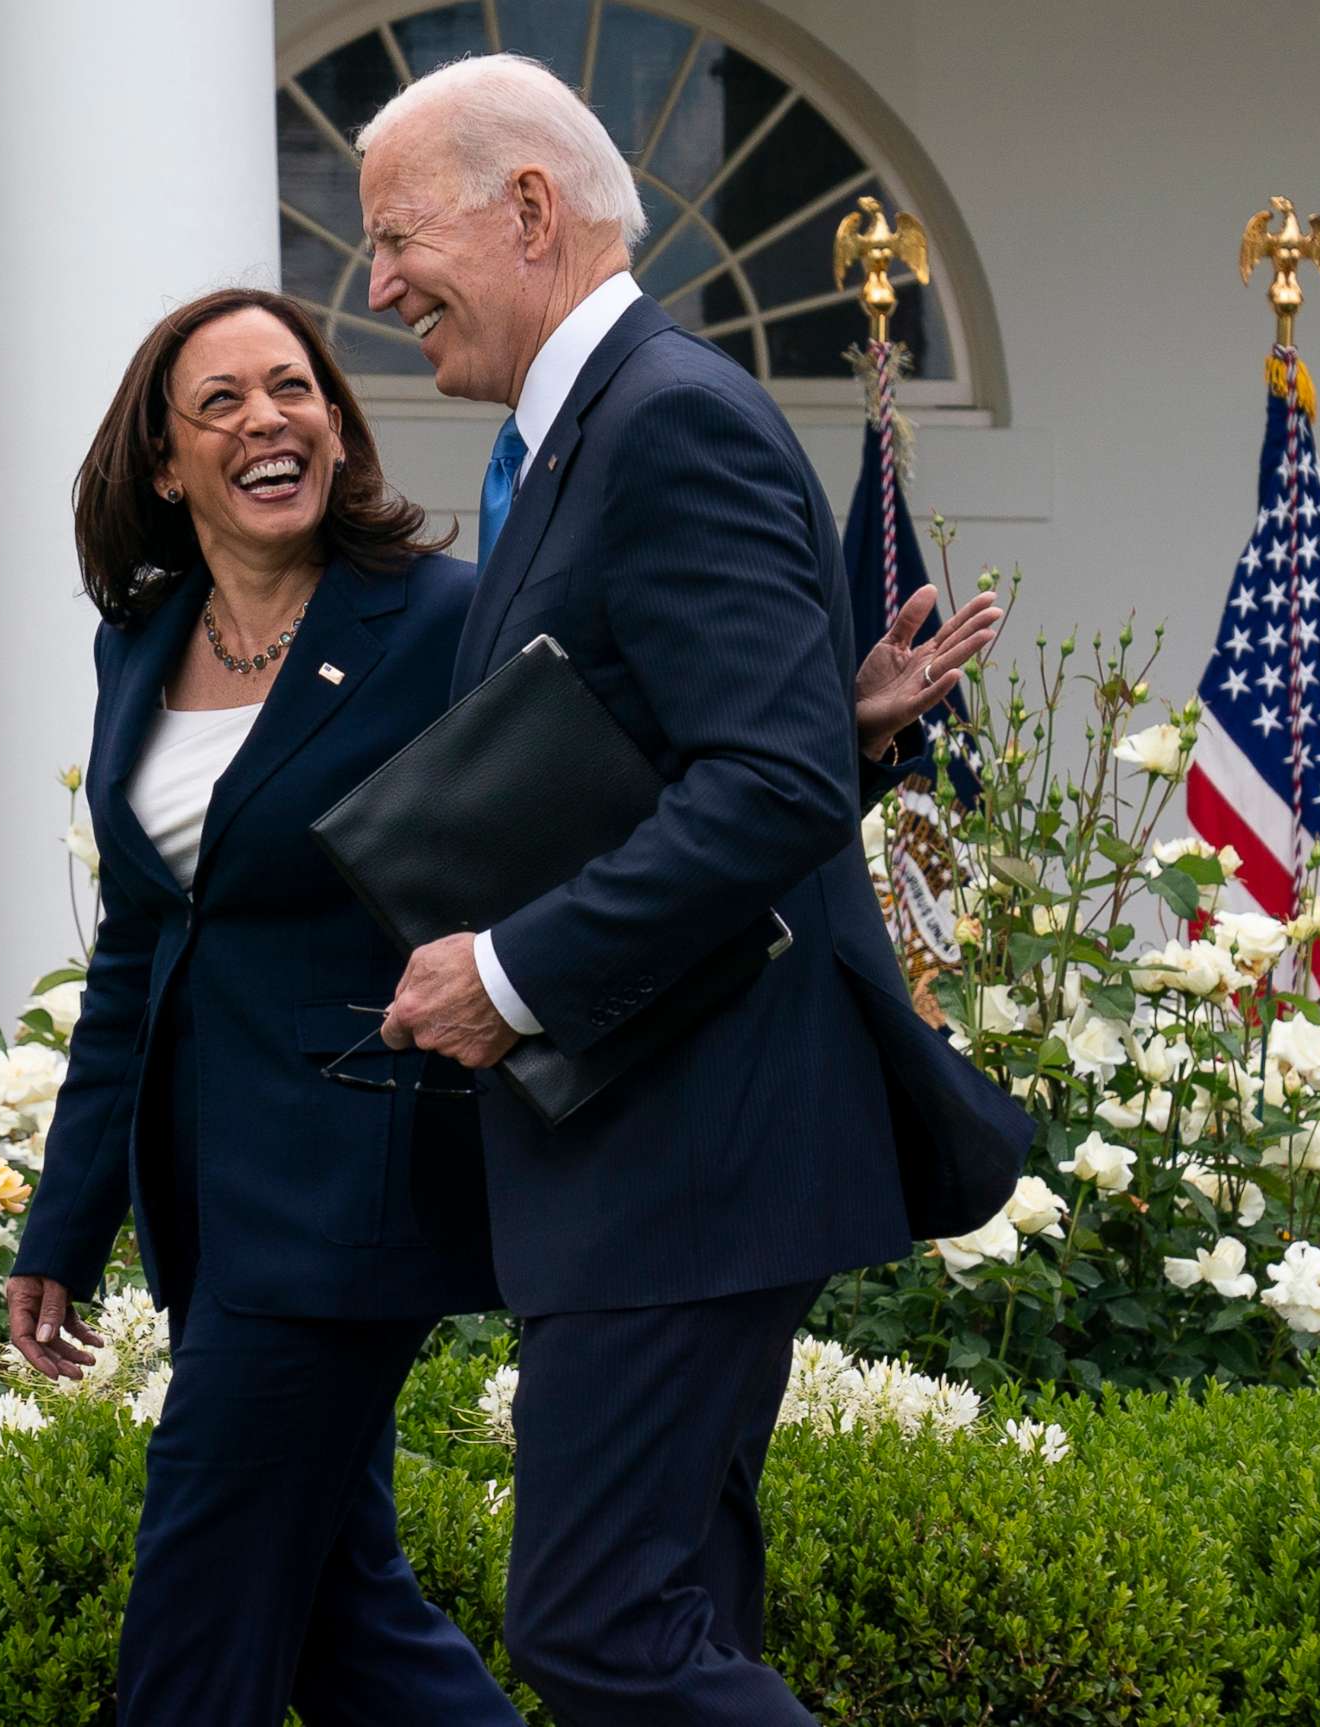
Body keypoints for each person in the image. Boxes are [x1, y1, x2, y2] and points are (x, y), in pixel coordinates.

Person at [359, 54, 1035, 1725]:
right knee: (681, 1623)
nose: (374, 288)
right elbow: (741, 759)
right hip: (655, 1146)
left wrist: (506, 973)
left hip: (687, 1147)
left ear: (528, 210)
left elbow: (764, 792)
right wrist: (834, 728)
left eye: (394, 238)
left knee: (599, 1629)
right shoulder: (590, 435)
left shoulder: (668, 422)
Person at [1, 287, 524, 1726]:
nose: (267, 420)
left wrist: (828, 731)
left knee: (202, 1590)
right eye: (220, 402)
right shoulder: (141, 645)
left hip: (357, 1177)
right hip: (208, 1195)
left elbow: (601, 784)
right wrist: (68, 1220)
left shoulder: (440, 617)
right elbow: (135, 957)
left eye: (293, 388)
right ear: (166, 466)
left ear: (339, 429)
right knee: (344, 1619)